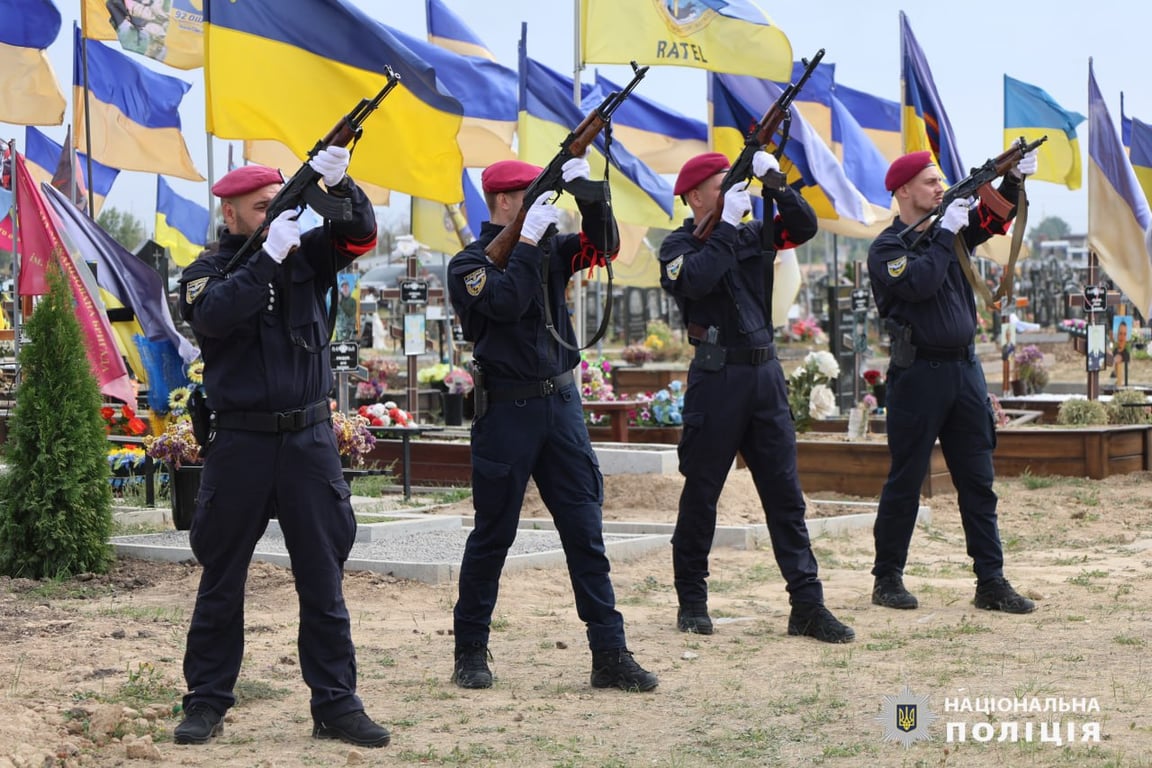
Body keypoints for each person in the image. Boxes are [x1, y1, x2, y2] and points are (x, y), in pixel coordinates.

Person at [174, 150, 391, 747]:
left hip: (307, 441)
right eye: (263, 209)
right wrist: (266, 258)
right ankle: (206, 701)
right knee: (222, 580)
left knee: (323, 579)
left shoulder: (308, 255)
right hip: (240, 442)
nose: (274, 217)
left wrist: (341, 186)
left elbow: (361, 234)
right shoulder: (204, 271)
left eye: (280, 205)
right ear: (232, 213)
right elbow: (214, 316)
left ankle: (337, 704)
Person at [446, 157, 658, 692]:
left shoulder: (550, 249)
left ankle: (609, 653)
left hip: (561, 408)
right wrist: (525, 243)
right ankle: (470, 649)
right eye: (530, 197)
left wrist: (590, 196)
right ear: (503, 202)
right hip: (507, 414)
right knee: (493, 534)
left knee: (585, 534)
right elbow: (506, 299)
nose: (543, 208)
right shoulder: (470, 264)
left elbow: (604, 247)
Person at [658, 151, 855, 644]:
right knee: (703, 492)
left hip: (764, 374)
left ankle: (807, 605)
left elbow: (803, 227)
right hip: (717, 376)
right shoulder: (677, 246)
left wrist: (777, 184)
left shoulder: (752, 233)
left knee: (785, 495)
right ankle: (692, 600)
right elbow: (696, 279)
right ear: (696, 195)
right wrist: (724, 226)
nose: (731, 191)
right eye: (722, 184)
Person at [867, 149, 1039, 615]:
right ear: (903, 191)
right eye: (929, 182)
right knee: (905, 480)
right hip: (918, 375)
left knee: (977, 481)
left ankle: (991, 581)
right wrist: (944, 231)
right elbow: (919, 283)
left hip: (963, 371)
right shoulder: (887, 249)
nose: (939, 189)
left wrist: (1013, 183)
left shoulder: (955, 233)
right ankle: (887, 579)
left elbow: (995, 221)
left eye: (940, 181)